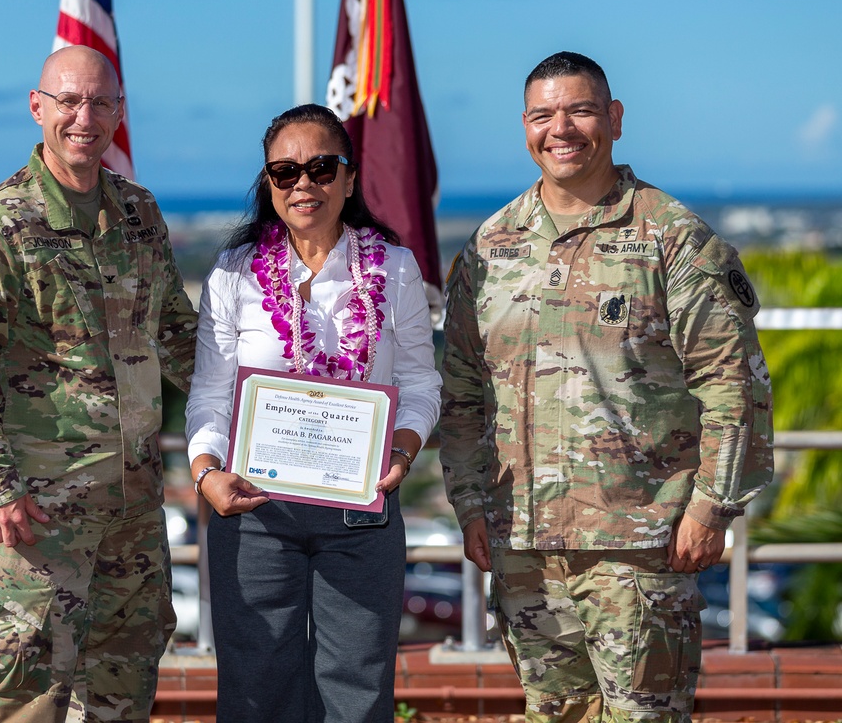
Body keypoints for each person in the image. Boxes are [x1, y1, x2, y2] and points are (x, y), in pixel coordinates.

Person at [439, 52, 774, 722]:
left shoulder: (672, 238)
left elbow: (734, 384)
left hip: (641, 546)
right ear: (525, 128)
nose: (561, 129)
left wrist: (712, 508)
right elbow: (463, 392)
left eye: (580, 110)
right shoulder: (491, 246)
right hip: (523, 545)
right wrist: (472, 505)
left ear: (614, 119)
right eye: (543, 115)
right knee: (552, 714)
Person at [0, 45, 198, 723]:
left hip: (132, 514)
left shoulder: (139, 215)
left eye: (100, 102)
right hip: (35, 517)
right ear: (37, 108)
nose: (85, 117)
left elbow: (178, 337)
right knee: (24, 701)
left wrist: (265, 416)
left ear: (120, 112)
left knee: (122, 694)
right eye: (69, 101)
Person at [185, 103, 442, 723]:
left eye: (322, 168)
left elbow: (419, 382)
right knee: (255, 689)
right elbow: (210, 392)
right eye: (285, 172)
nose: (304, 184)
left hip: (362, 509)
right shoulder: (233, 273)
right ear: (268, 184)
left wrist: (403, 452)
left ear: (350, 178)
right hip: (253, 509)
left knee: (356, 692)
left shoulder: (396, 269)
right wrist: (205, 473)